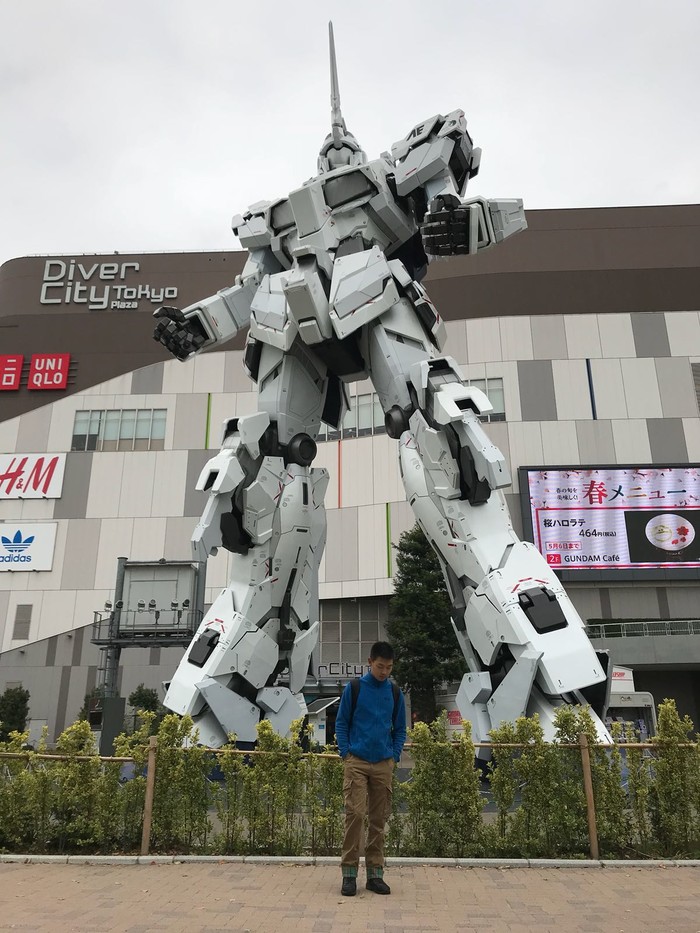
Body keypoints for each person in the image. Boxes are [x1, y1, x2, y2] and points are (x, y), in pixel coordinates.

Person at [334, 641, 407, 896]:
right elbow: (341, 723)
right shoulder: (354, 688)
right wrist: (346, 753)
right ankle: (349, 874)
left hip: (383, 763)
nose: (384, 672)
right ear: (369, 662)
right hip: (356, 761)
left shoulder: (395, 692)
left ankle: (375, 875)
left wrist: (394, 756)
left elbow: (400, 729)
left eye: (389, 667)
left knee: (379, 818)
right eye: (380, 666)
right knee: (355, 815)